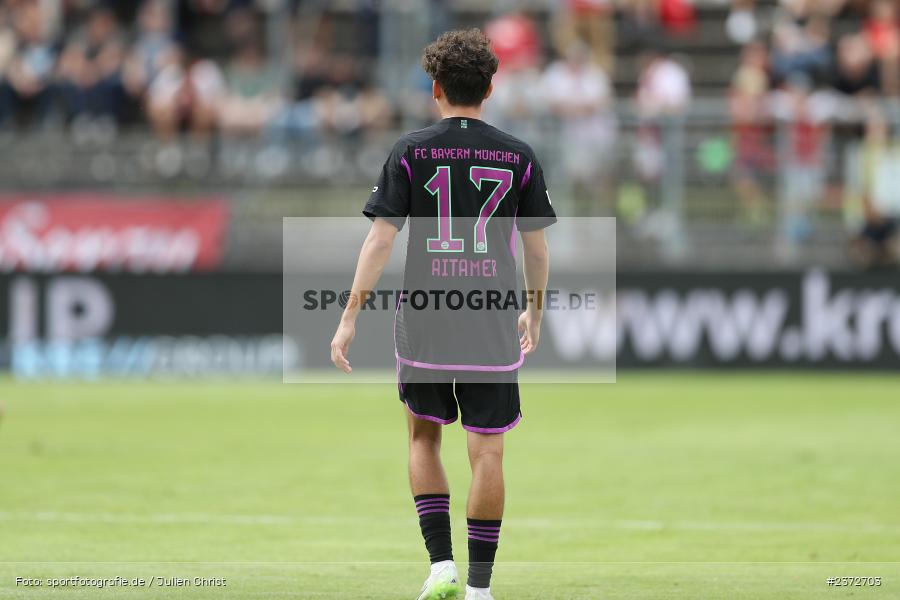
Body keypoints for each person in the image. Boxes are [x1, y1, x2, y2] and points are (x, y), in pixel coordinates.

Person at [329, 29, 555, 600]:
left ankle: (441, 567)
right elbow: (535, 248)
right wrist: (533, 311)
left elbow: (380, 240)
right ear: (491, 87)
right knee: (488, 449)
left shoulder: (410, 151)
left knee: (423, 438)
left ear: (435, 88)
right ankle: (480, 589)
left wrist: (349, 316)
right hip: (489, 317)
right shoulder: (518, 155)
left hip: (427, 314)